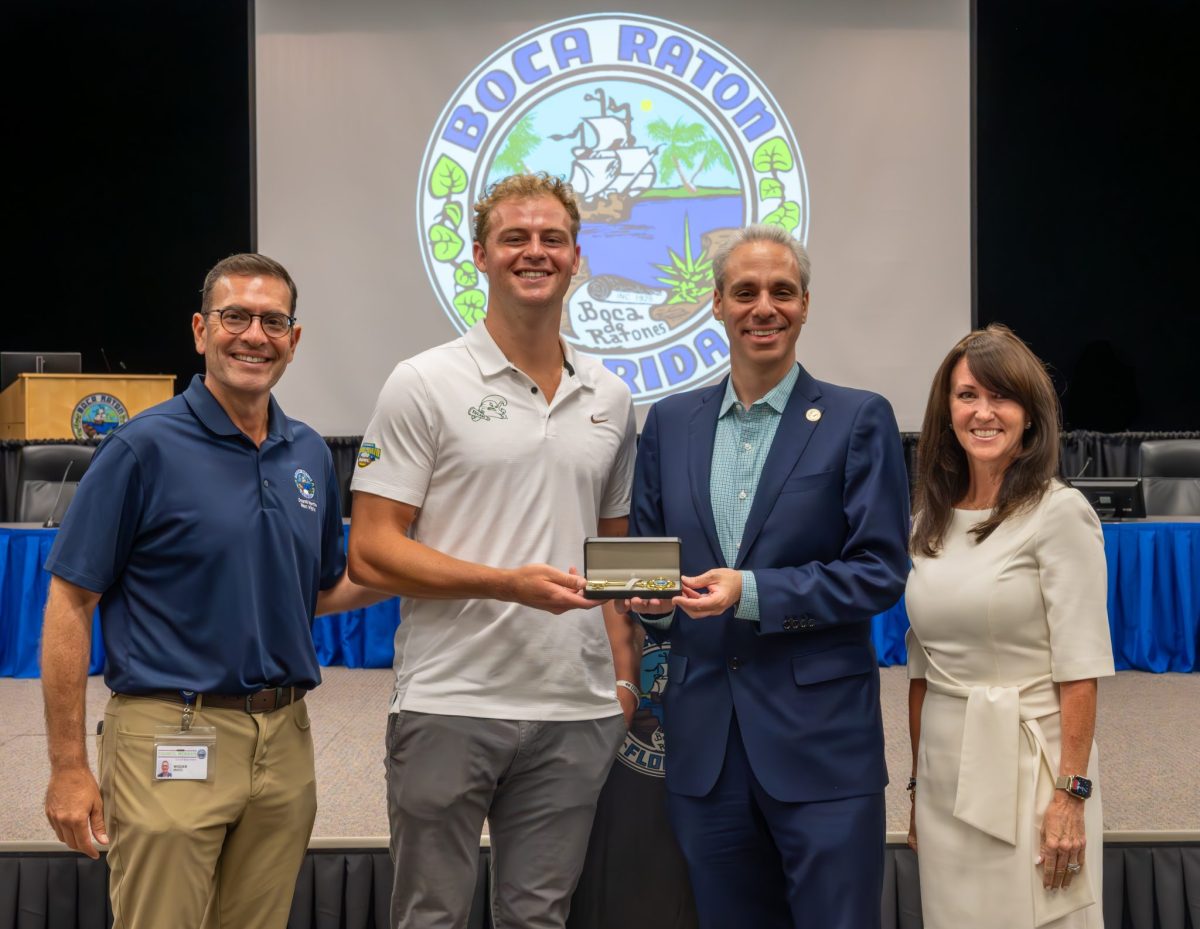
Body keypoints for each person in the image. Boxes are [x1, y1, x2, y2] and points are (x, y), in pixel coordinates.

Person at [41, 253, 382, 929]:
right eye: (236, 316)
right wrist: (69, 766)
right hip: (170, 733)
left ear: (294, 338)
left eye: (273, 320)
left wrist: (412, 570)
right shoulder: (141, 448)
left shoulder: (308, 453)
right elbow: (69, 604)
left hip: (284, 742)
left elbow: (310, 592)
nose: (254, 334)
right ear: (202, 330)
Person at [347, 173, 641, 929]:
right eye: (515, 237)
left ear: (578, 257)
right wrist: (508, 583)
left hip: (575, 709)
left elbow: (610, 555)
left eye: (551, 239)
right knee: (430, 917)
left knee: (538, 918)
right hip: (452, 698)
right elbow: (373, 552)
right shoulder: (422, 382)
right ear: (479, 254)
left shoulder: (611, 395)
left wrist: (624, 681)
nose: (533, 252)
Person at [623, 223, 910, 929]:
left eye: (782, 291)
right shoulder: (669, 424)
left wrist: (750, 592)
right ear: (715, 303)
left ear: (806, 305)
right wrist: (650, 603)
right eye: (745, 291)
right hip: (704, 746)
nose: (764, 306)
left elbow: (880, 572)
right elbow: (651, 557)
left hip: (821, 747)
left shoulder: (857, 419)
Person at [905, 324, 1114, 928]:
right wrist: (919, 790)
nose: (983, 412)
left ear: (1030, 415)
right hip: (946, 775)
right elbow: (921, 673)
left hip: (1036, 775)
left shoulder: (1059, 513)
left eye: (1001, 397)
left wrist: (1071, 798)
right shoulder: (928, 523)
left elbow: (1082, 669)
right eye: (968, 395)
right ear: (947, 412)